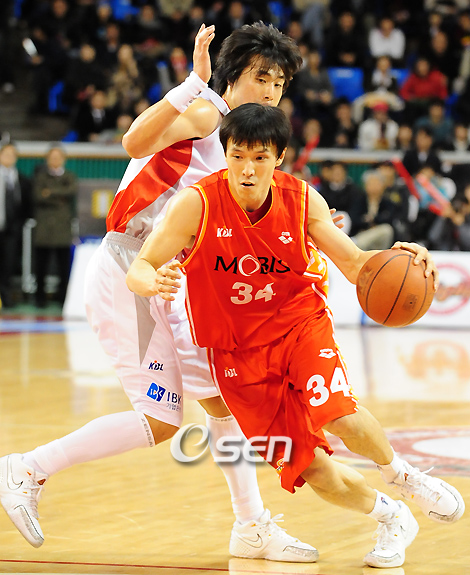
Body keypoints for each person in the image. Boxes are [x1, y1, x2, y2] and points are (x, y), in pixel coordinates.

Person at [0, 23, 318, 562]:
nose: (269, 92)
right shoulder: (207, 113)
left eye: (279, 83)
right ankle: (26, 468)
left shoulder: (242, 146)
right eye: (261, 77)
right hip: (130, 266)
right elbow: (132, 143)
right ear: (233, 75)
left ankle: (251, 526)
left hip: (172, 281)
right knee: (161, 422)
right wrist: (191, 84)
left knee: (219, 401)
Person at [126, 103, 464, 568]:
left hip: (297, 325)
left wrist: (406, 255)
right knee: (313, 469)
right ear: (225, 153)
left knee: (338, 414)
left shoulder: (303, 200)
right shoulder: (195, 204)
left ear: (279, 157)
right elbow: (141, 266)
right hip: (234, 353)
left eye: (259, 158)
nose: (247, 169)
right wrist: (151, 281)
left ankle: (403, 477)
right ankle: (392, 516)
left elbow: (355, 263)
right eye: (237, 156)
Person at [32, 146, 78, 308]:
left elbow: (71, 191)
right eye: (52, 157)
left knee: (63, 266)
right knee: (41, 265)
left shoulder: (70, 176)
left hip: (62, 228)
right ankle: (39, 299)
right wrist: (59, 196)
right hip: (43, 228)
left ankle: (63, 298)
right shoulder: (40, 176)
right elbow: (38, 196)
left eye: (58, 157)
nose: (55, 160)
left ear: (63, 159)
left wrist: (49, 193)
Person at [0, 143, 32, 308]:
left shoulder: (21, 178)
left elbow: (25, 203)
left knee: (9, 263)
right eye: (6, 154)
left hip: (12, 229)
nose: (9, 158)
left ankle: (6, 297)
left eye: (12, 155)